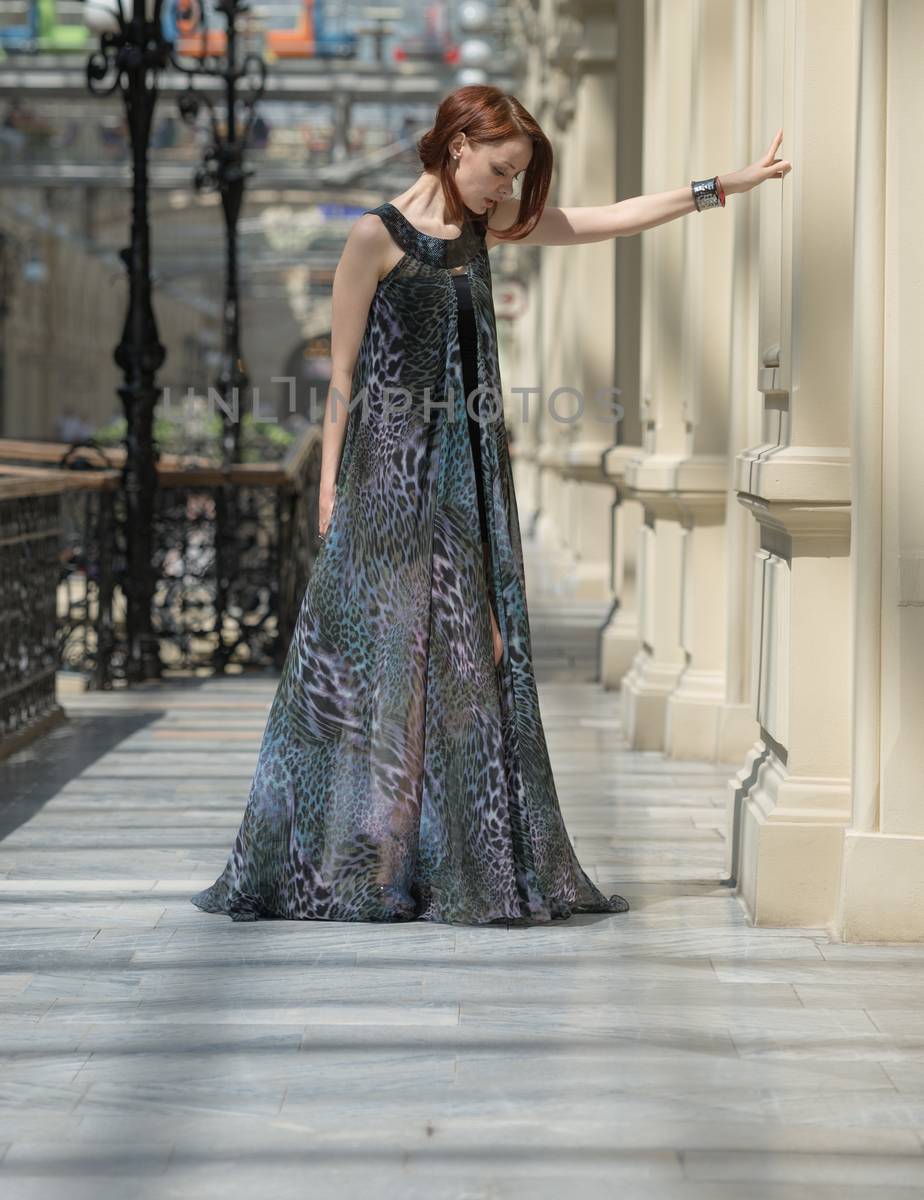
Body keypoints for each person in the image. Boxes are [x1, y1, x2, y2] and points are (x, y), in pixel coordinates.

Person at [191, 84, 791, 925]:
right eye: (500, 172)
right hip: (385, 487)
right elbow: (344, 380)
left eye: (515, 179)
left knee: (472, 665)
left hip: (468, 486)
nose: (506, 191)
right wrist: (328, 489)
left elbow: (601, 219)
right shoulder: (372, 239)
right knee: (374, 673)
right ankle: (356, 864)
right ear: (458, 145)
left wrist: (718, 187)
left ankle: (457, 862)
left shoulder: (483, 233)